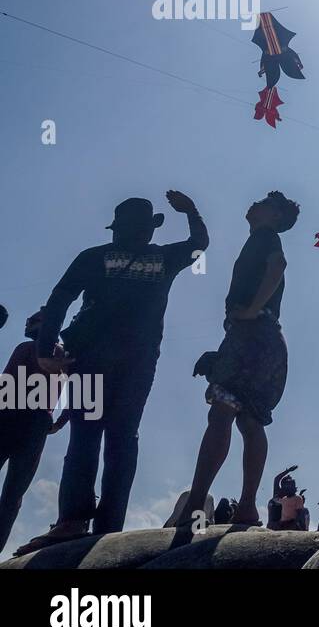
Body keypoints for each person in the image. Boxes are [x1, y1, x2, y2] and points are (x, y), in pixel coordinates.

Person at [17, 192, 208, 554]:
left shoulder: (93, 257)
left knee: (86, 436)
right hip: (138, 361)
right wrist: (191, 211)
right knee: (123, 439)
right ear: (149, 229)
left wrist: (45, 350)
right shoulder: (164, 258)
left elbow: (60, 297)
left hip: (91, 358)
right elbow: (200, 243)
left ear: (117, 229)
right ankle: (110, 526)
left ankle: (72, 521)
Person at [179, 191, 299, 529]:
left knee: (222, 412)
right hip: (266, 339)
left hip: (251, 331)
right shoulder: (262, 238)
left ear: (275, 215)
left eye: (263, 202)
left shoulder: (265, 236)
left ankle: (195, 503)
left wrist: (249, 310)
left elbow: (278, 266)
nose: (254, 203)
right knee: (251, 420)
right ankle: (246, 506)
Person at [0, 311, 70, 551]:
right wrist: (59, 422)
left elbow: (6, 384)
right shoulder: (63, 355)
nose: (27, 322)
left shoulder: (26, 348)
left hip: (10, 416)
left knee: (13, 493)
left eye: (33, 319)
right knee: (14, 494)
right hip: (37, 422)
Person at [269, 466, 308, 531]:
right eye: (288, 483)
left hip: (287, 524)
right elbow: (276, 479)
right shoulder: (278, 493)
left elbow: (296, 509)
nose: (290, 486)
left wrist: (300, 497)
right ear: (283, 485)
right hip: (275, 524)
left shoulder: (292, 497)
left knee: (305, 511)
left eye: (291, 485)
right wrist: (288, 470)